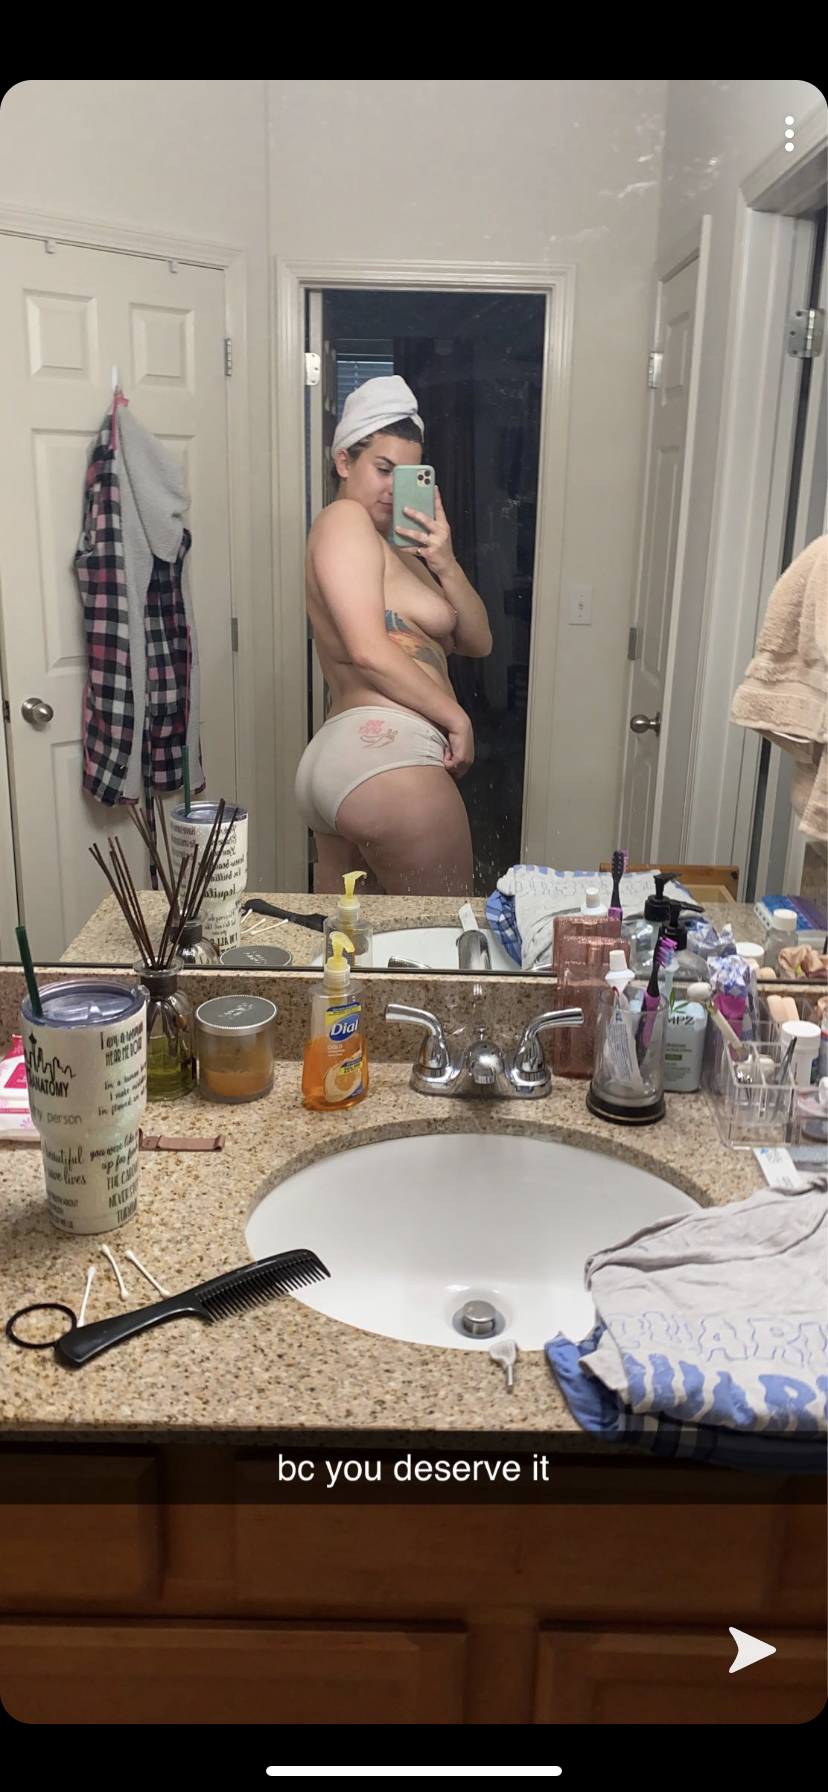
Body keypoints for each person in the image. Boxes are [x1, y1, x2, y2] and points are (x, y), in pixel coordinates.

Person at [295, 374, 493, 894]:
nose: (391, 487)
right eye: (382, 469)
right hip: (387, 754)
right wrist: (456, 718)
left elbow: (477, 641)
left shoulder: (400, 553)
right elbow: (367, 649)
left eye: (406, 475)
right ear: (344, 461)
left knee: (352, 942)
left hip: (355, 760)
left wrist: (445, 562)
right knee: (440, 933)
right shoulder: (343, 520)